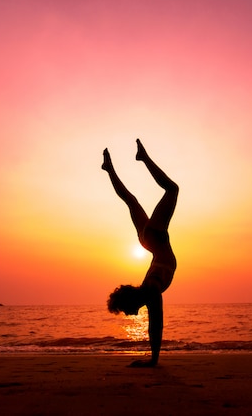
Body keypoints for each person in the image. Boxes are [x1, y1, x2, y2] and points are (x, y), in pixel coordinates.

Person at [102, 139, 178, 367]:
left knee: (172, 189)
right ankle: (109, 169)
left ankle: (143, 158)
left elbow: (156, 324)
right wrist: (152, 359)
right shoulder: (148, 291)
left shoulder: (152, 290)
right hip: (148, 242)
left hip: (155, 238)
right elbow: (154, 324)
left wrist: (153, 361)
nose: (128, 314)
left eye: (125, 310)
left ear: (131, 302)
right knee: (130, 200)